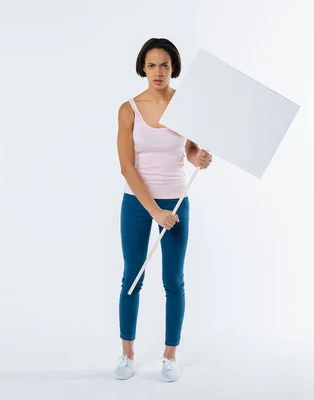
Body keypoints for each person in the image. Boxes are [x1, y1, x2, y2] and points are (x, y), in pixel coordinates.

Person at [114, 38, 212, 382]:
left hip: (177, 201)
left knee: (173, 281)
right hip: (138, 204)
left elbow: (190, 148)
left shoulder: (186, 106)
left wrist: (197, 158)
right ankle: (127, 354)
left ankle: (169, 356)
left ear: (174, 68)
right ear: (143, 67)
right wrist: (155, 211)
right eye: (152, 64)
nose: (159, 71)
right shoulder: (129, 109)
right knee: (132, 278)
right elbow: (127, 167)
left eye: (165, 65)